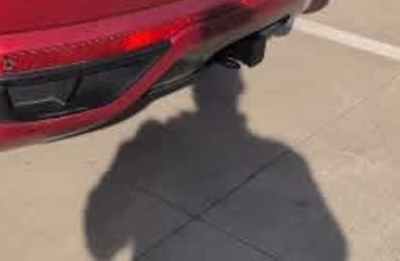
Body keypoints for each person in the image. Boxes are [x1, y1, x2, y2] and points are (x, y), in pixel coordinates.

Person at [84, 65, 346, 260]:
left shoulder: (149, 141)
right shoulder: (288, 159)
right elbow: (333, 246)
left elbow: (101, 235)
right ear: (239, 91)